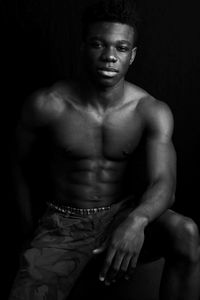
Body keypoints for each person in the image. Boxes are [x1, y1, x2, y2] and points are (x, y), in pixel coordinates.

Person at [9, 0, 200, 299]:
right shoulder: (47, 105)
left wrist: (136, 221)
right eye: (99, 44)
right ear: (83, 46)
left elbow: (165, 183)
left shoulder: (149, 110)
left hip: (120, 212)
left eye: (121, 48)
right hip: (64, 219)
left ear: (132, 55)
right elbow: (17, 165)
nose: (110, 56)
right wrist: (24, 233)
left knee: (185, 232)